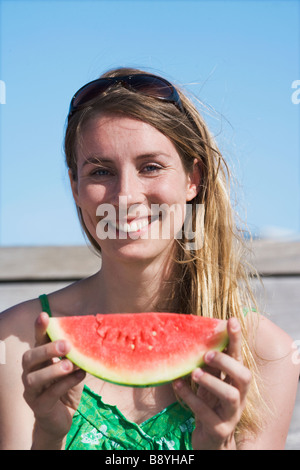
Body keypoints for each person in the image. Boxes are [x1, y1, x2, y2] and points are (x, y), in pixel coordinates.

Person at [0, 67, 299, 450]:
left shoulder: (265, 354)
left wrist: (213, 446)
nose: (126, 196)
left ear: (193, 178)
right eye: (101, 171)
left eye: (151, 167)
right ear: (75, 186)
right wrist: (48, 437)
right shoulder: (19, 342)